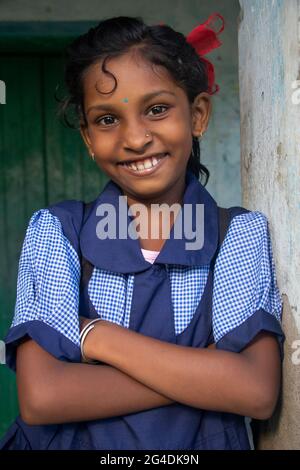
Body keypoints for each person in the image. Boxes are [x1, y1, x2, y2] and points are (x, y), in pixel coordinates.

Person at [0, 14, 284, 450]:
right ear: (88, 137)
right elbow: (43, 397)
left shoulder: (236, 236)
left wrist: (96, 335)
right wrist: (207, 373)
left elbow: (256, 393)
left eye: (156, 109)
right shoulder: (58, 231)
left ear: (198, 115)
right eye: (107, 120)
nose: (135, 138)